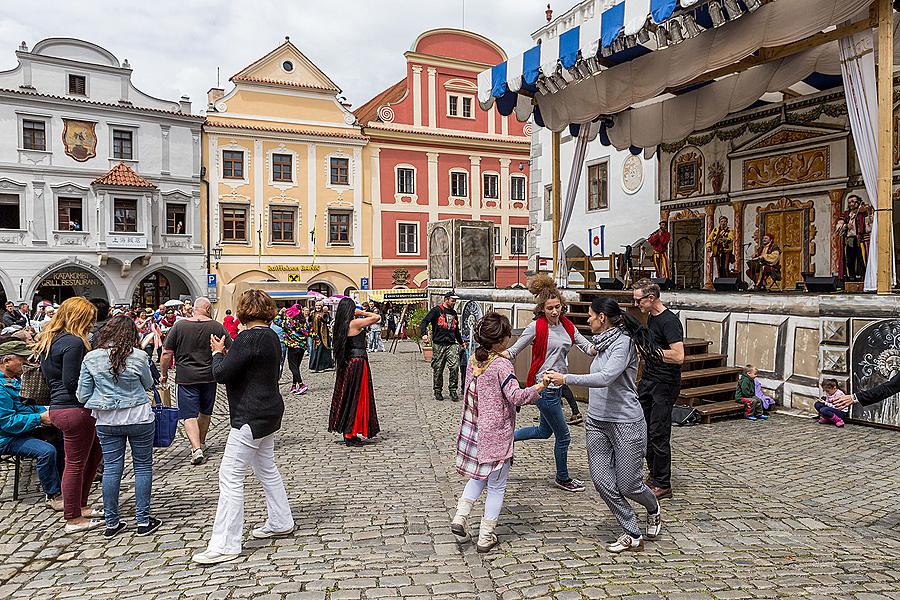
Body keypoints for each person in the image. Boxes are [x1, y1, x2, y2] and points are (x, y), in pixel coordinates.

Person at [545, 297, 663, 553]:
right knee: (602, 481)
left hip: (625, 423)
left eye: (590, 315)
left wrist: (566, 378)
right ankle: (632, 532)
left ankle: (652, 506)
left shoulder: (624, 343)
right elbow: (579, 340)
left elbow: (607, 377)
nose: (587, 319)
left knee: (629, 485)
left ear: (602, 317)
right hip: (597, 422)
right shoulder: (600, 342)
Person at [192, 290, 293, 565]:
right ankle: (281, 520)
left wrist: (216, 354)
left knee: (230, 475)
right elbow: (247, 366)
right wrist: (227, 352)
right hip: (269, 409)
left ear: (243, 311)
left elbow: (221, 374)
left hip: (250, 413)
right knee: (266, 468)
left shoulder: (248, 337)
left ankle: (226, 543)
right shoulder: (271, 335)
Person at [449, 312, 545, 553]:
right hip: (497, 432)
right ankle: (486, 536)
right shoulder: (502, 364)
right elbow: (516, 396)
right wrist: (541, 386)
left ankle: (460, 517)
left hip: (475, 429)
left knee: (478, 477)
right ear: (501, 339)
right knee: (497, 486)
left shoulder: (474, 359)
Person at [502, 274, 593, 493]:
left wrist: (605, 347)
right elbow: (514, 350)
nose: (554, 311)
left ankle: (504, 440)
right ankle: (563, 478)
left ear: (562, 306)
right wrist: (493, 356)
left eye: (557, 307)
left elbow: (585, 346)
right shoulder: (537, 326)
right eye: (550, 308)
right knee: (564, 436)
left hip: (559, 386)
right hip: (544, 390)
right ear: (542, 308)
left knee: (544, 431)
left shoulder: (567, 326)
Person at [77, 316, 160, 538]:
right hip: (138, 415)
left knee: (112, 468)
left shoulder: (91, 358)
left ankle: (112, 523)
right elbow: (149, 383)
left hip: (107, 418)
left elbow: (82, 394)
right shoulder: (139, 356)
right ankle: (143, 520)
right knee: (142, 467)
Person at [35, 296, 102, 533]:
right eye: (90, 320)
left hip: (60, 406)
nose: (92, 324)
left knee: (94, 455)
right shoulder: (74, 342)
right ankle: (72, 516)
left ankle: (80, 505)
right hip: (74, 408)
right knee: (75, 463)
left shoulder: (49, 340)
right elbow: (72, 381)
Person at [160, 297, 231, 465]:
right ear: (208, 309)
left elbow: (166, 353)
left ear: (194, 308)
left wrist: (163, 373)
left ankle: (196, 448)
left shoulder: (179, 326)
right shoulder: (216, 326)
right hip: (209, 376)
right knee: (206, 412)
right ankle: (202, 443)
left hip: (186, 377)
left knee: (188, 415)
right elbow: (230, 348)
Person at [632, 279, 684, 500]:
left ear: (651, 298)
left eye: (639, 300)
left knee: (658, 433)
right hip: (649, 381)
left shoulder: (669, 321)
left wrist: (650, 351)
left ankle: (663, 482)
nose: (637, 305)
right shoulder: (651, 319)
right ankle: (653, 475)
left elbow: (679, 356)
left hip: (664, 384)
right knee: (644, 430)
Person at [0, 339, 64, 511]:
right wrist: (39, 418)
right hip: (6, 437)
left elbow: (24, 405)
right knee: (46, 451)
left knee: (59, 437)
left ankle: (65, 483)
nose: (25, 362)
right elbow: (7, 422)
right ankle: (53, 495)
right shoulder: (1, 387)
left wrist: (46, 409)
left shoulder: (11, 380)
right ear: (6, 361)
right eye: (21, 359)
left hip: (17, 430)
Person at [328, 299, 381, 446]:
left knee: (348, 397)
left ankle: (349, 431)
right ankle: (351, 431)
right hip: (358, 362)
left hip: (348, 363)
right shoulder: (355, 323)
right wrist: (362, 312)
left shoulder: (339, 325)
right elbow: (376, 318)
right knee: (357, 397)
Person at [420, 291, 465, 402]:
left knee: (454, 367)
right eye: (452, 300)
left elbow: (456, 330)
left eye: (455, 300)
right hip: (438, 344)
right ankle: (437, 390)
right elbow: (424, 322)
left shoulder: (454, 313)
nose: (454, 302)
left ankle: (453, 390)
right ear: (446, 300)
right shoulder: (436, 310)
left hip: (451, 344)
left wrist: (461, 342)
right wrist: (424, 334)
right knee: (438, 368)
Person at [836, 194, 872, 282]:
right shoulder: (846, 214)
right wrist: (845, 226)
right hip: (850, 240)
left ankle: (864, 278)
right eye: (849, 202)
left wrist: (868, 213)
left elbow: (869, 227)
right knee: (850, 260)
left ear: (858, 202)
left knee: (862, 259)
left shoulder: (863, 212)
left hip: (862, 240)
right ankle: (851, 278)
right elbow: (838, 227)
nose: (851, 204)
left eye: (853, 202)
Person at [283, 304, 309, 395]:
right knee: (296, 367)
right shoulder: (304, 321)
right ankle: (294, 386)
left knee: (292, 366)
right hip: (302, 347)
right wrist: (316, 339)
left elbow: (277, 321)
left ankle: (301, 384)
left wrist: (281, 312)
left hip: (293, 347)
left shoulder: (289, 322)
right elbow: (308, 331)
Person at [308, 301, 334, 372]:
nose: (318, 307)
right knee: (315, 349)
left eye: (319, 305)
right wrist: (310, 316)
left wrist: (321, 319)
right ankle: (314, 367)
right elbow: (309, 320)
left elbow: (327, 321)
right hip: (316, 334)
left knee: (322, 349)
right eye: (316, 305)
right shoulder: (313, 313)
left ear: (322, 306)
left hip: (324, 334)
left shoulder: (325, 313)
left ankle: (322, 367)